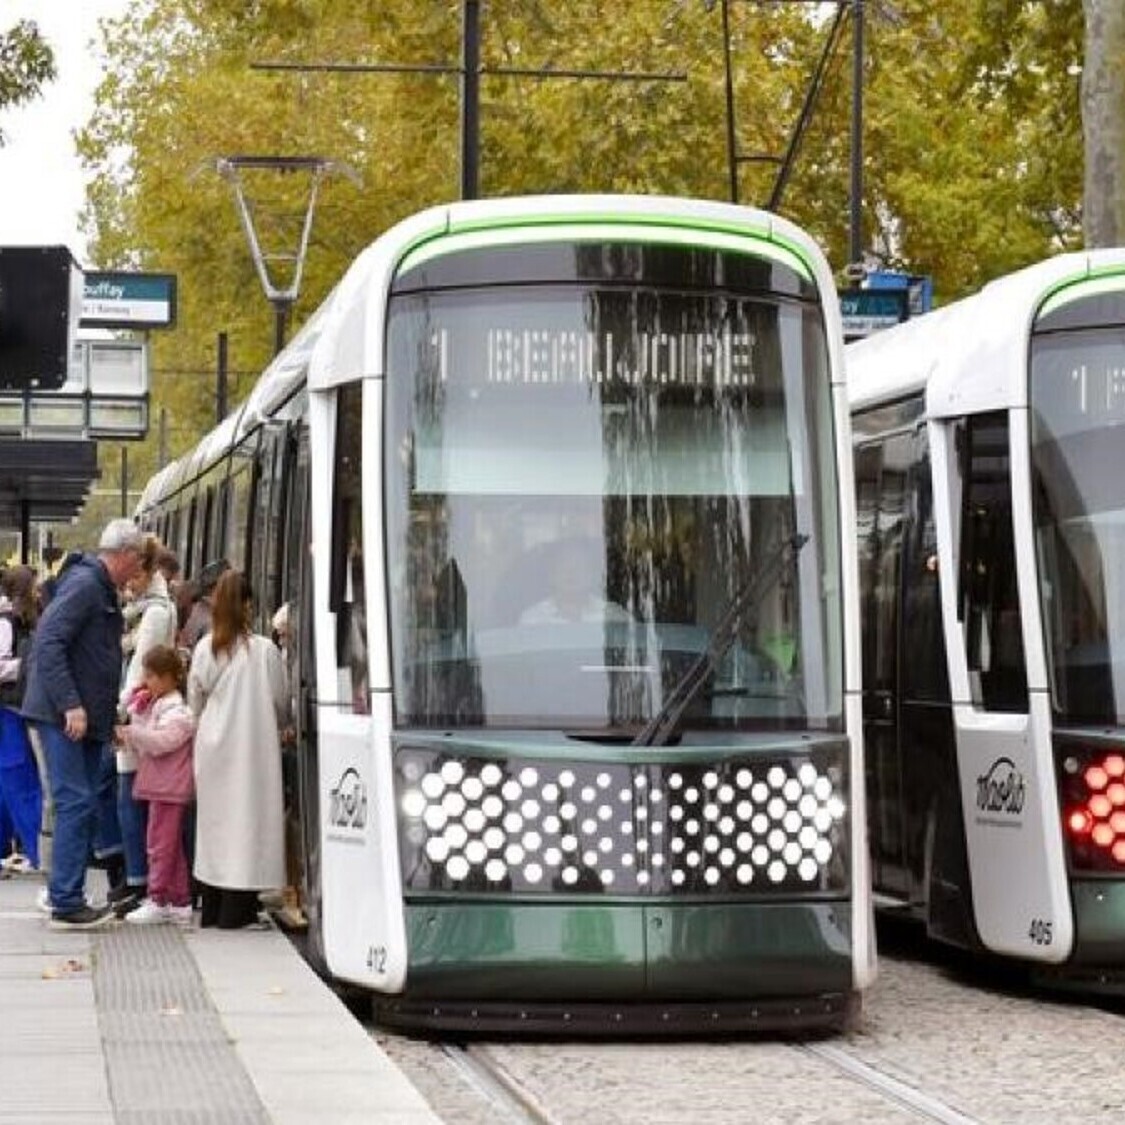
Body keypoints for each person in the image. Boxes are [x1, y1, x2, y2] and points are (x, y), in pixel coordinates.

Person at [22, 518, 144, 929]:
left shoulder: (95, 587)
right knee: (75, 801)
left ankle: (65, 892)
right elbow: (50, 641)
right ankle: (66, 899)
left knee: (83, 800)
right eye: (138, 560)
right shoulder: (87, 586)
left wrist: (104, 718)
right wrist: (71, 704)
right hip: (65, 717)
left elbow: (92, 657)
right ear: (124, 555)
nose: (139, 570)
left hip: (83, 718)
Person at [188, 569, 288, 929]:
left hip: (213, 747)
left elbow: (194, 702)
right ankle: (239, 909)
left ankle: (212, 908)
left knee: (215, 826)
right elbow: (281, 702)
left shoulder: (204, 649)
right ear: (247, 606)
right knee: (247, 825)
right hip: (253, 747)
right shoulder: (263, 651)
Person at [110, 535, 177, 917]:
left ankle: (138, 876)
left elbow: (141, 670)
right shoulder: (144, 610)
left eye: (133, 576)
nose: (127, 584)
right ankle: (135, 874)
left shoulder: (154, 613)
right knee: (128, 797)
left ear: (146, 571)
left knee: (129, 798)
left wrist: (121, 710)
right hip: (138, 712)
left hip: (139, 715)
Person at [116, 645, 194, 926]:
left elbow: (161, 742)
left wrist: (133, 732)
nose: (145, 682)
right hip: (161, 786)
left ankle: (159, 898)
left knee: (159, 845)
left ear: (168, 677)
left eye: (150, 676)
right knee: (170, 847)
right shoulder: (158, 705)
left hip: (169, 788)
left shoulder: (178, 712)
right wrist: (135, 702)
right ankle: (179, 899)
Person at [0, 566, 43, 874]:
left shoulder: (19, 621)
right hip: (11, 708)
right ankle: (32, 848)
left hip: (15, 707)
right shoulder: (8, 623)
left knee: (12, 779)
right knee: (20, 779)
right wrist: (26, 666)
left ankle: (9, 846)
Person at [518, 538, 632, 625]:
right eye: (564, 566)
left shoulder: (613, 616)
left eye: (578, 566)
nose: (571, 573)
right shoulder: (533, 619)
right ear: (551, 576)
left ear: (591, 575)